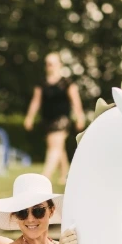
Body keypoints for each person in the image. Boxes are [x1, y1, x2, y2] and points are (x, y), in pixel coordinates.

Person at [23, 52, 87, 185]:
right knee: (58, 148)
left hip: (62, 120)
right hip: (47, 120)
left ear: (59, 64)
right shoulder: (42, 84)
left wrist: (80, 117)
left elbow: (76, 101)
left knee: (54, 148)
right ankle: (65, 175)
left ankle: (44, 177)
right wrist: (29, 117)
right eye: (47, 64)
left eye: (52, 63)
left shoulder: (67, 83)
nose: (49, 66)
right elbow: (36, 102)